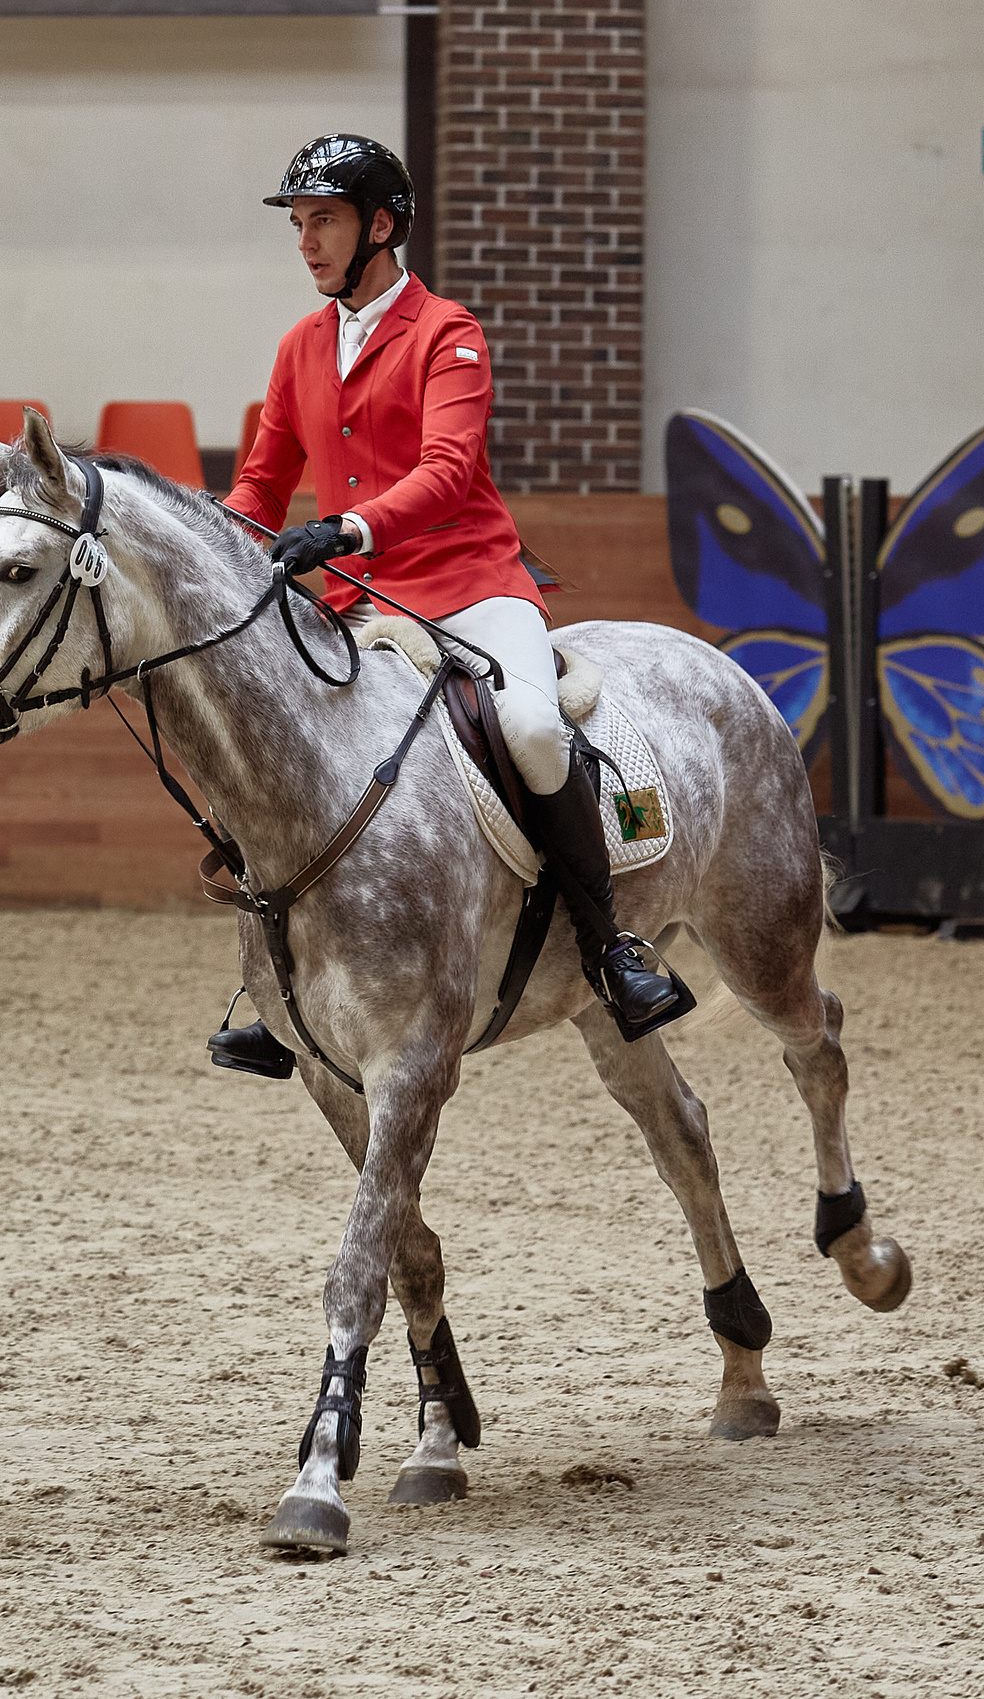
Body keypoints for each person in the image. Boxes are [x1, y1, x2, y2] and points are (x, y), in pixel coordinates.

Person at [207, 132, 690, 1080]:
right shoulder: (300, 347)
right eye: (298, 224)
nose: (306, 242)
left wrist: (343, 530)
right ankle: (280, 986)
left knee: (534, 730)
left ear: (381, 227)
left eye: (324, 221)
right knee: (266, 745)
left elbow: (447, 471)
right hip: (361, 608)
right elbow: (262, 483)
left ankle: (609, 946)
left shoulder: (448, 333)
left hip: (469, 588)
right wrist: (214, 550)